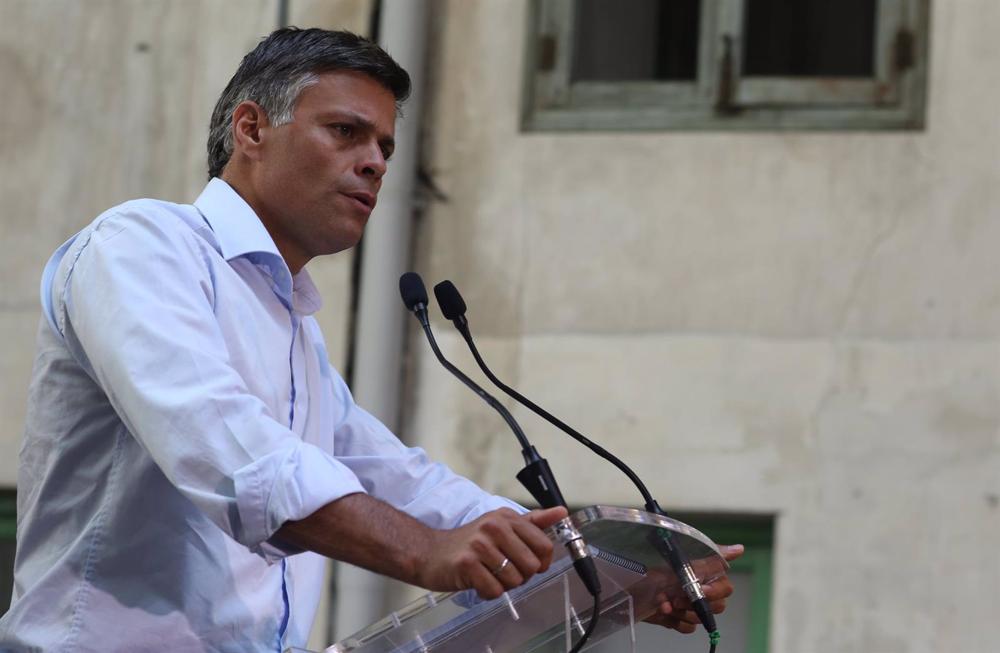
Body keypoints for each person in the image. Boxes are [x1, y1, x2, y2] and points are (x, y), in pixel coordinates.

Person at [0, 28, 740, 652]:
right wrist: (427, 552)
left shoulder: (295, 331)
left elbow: (399, 479)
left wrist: (611, 579)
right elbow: (231, 451)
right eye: (346, 132)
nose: (376, 162)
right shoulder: (139, 246)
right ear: (251, 130)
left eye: (385, 144)